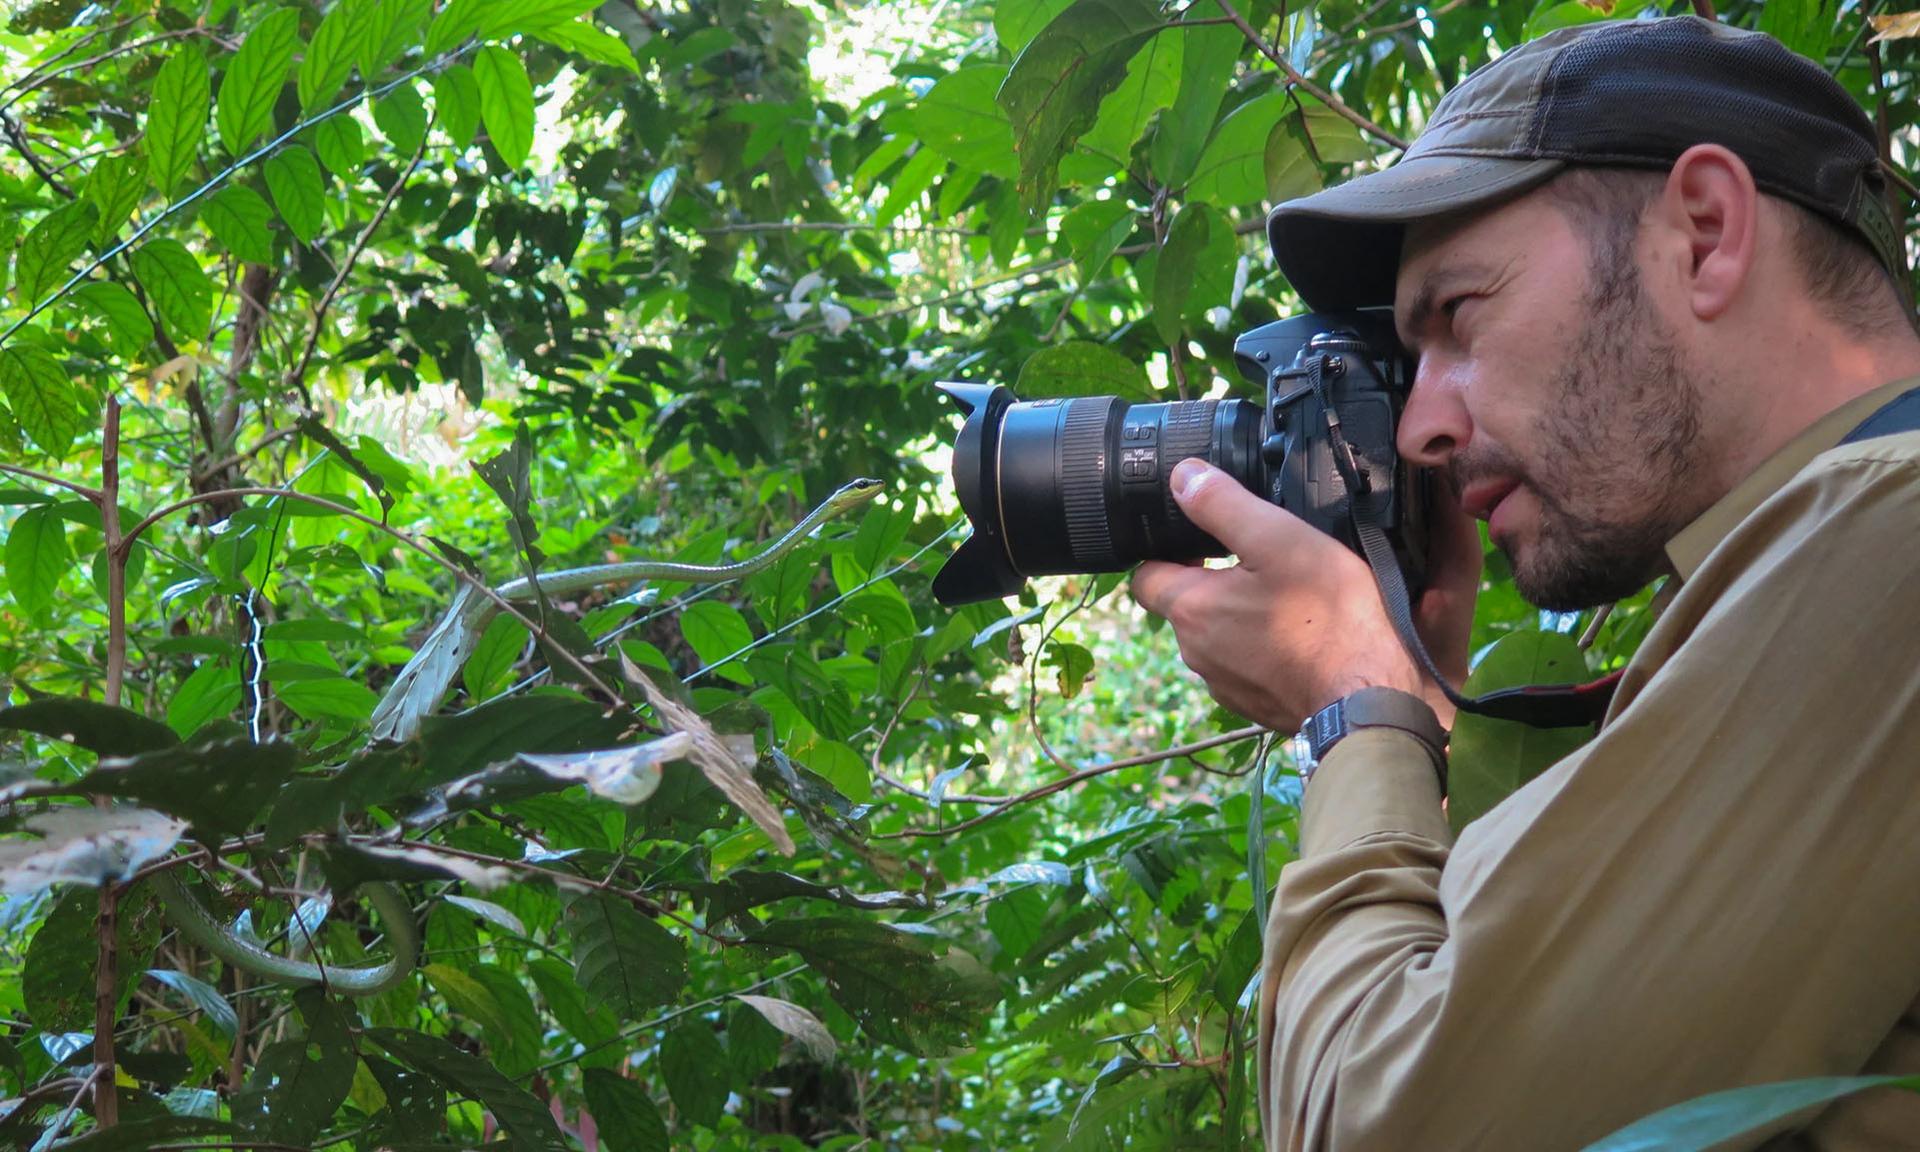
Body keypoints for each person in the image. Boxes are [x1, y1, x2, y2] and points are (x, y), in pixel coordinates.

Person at [1129, 16, 1920, 1150]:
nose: (1418, 429)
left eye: (1459, 315)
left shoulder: (1885, 540)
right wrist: (1427, 714)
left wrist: (1357, 707)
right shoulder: (1830, 559)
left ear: (1703, 234)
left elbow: (1383, 1122)